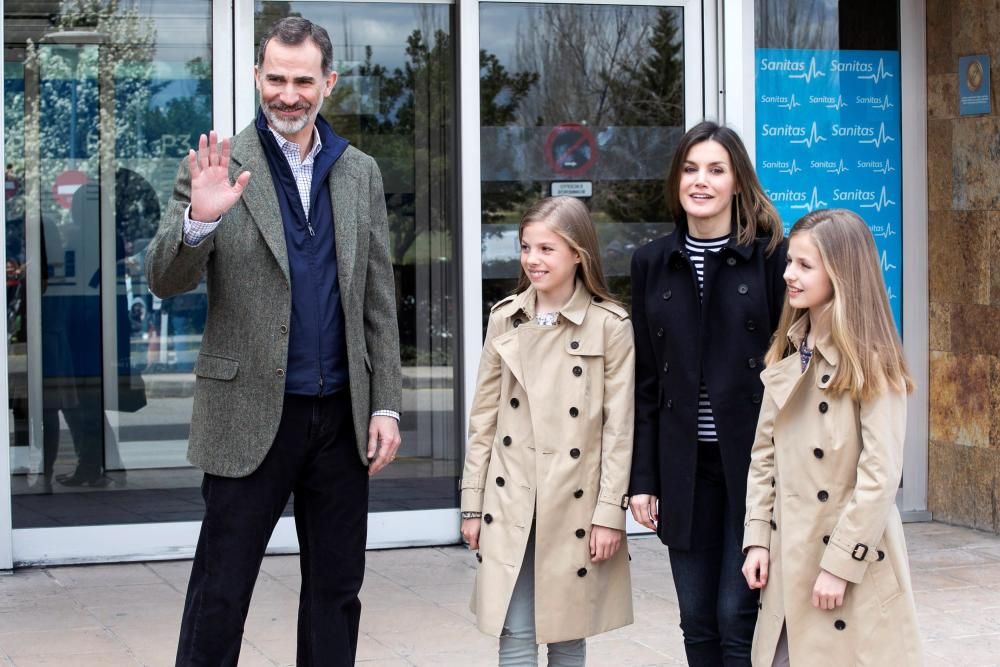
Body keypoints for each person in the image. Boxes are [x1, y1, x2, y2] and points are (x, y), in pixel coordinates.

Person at [144, 17, 402, 667]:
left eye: (303, 80)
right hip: (250, 413)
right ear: (258, 77)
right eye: (276, 78)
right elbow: (164, 279)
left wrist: (387, 404)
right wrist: (199, 220)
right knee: (221, 591)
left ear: (328, 83)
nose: (288, 94)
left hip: (341, 417)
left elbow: (377, 299)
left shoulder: (359, 172)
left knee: (337, 591)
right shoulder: (215, 166)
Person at [628, 120, 787, 665]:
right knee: (696, 621)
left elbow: (789, 369)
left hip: (753, 464)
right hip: (684, 466)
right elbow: (645, 382)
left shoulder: (772, 258)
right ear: (676, 180)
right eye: (691, 169)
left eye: (716, 170)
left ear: (738, 182)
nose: (702, 181)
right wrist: (643, 480)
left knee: (735, 616)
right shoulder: (651, 262)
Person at [741, 208, 921, 666]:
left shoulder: (873, 362)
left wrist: (840, 566)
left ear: (841, 273)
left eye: (804, 265)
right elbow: (764, 454)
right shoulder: (789, 347)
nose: (788, 275)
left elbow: (879, 477)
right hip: (788, 559)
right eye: (789, 262)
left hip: (848, 565)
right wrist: (758, 537)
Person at [460, 196, 634, 666]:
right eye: (525, 248)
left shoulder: (611, 325)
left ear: (578, 253)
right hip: (512, 494)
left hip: (574, 500)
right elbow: (484, 421)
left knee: (567, 631)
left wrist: (608, 515)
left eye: (546, 249)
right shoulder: (506, 317)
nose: (532, 260)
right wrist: (472, 504)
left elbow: (619, 431)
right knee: (513, 629)